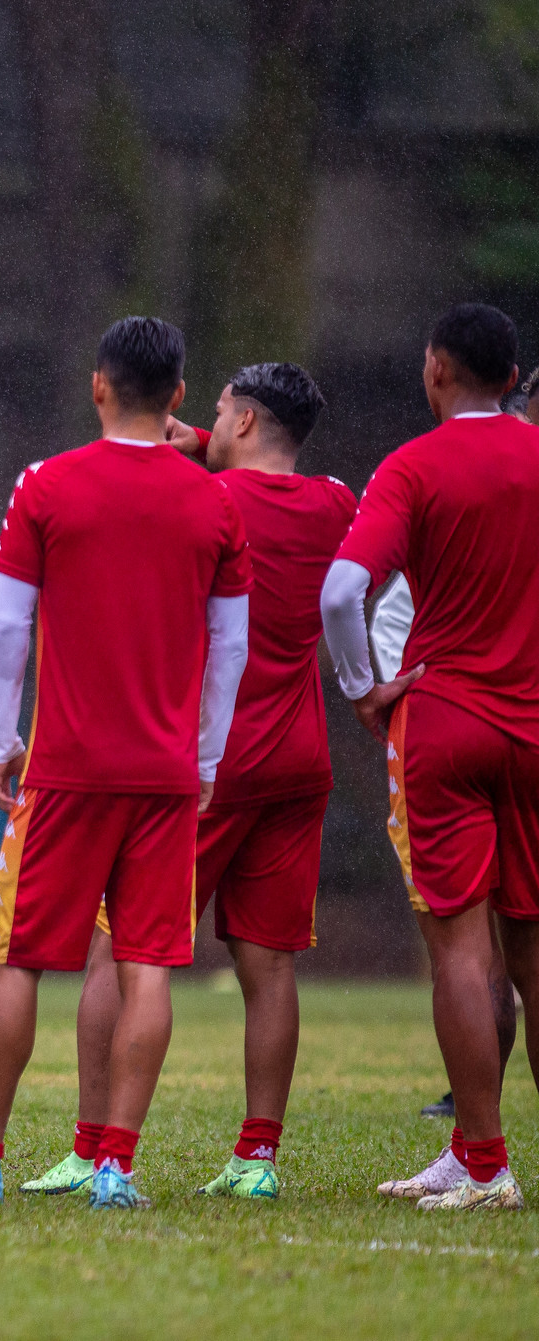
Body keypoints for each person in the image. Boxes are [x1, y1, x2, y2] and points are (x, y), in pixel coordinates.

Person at [0, 316, 251, 1210]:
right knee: (148, 963)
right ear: (178, 396)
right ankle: (117, 1166)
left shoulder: (46, 485)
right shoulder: (217, 503)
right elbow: (232, 645)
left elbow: (10, 623)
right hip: (166, 774)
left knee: (16, 959)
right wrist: (204, 757)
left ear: (98, 385)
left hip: (64, 769)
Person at [18, 362, 351, 1201]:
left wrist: (183, 442)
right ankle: (257, 1156)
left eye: (218, 410)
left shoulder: (211, 503)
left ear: (240, 422)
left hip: (203, 761)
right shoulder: (335, 505)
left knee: (117, 950)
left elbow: (169, 467)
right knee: (268, 965)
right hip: (298, 760)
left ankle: (94, 1145)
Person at [320, 302, 539, 1211]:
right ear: (514, 376)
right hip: (535, 727)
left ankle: (487, 1164)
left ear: (438, 368)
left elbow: (342, 591)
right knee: (533, 950)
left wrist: (363, 686)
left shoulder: (413, 465)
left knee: (458, 947)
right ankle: (465, 1154)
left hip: (445, 720)